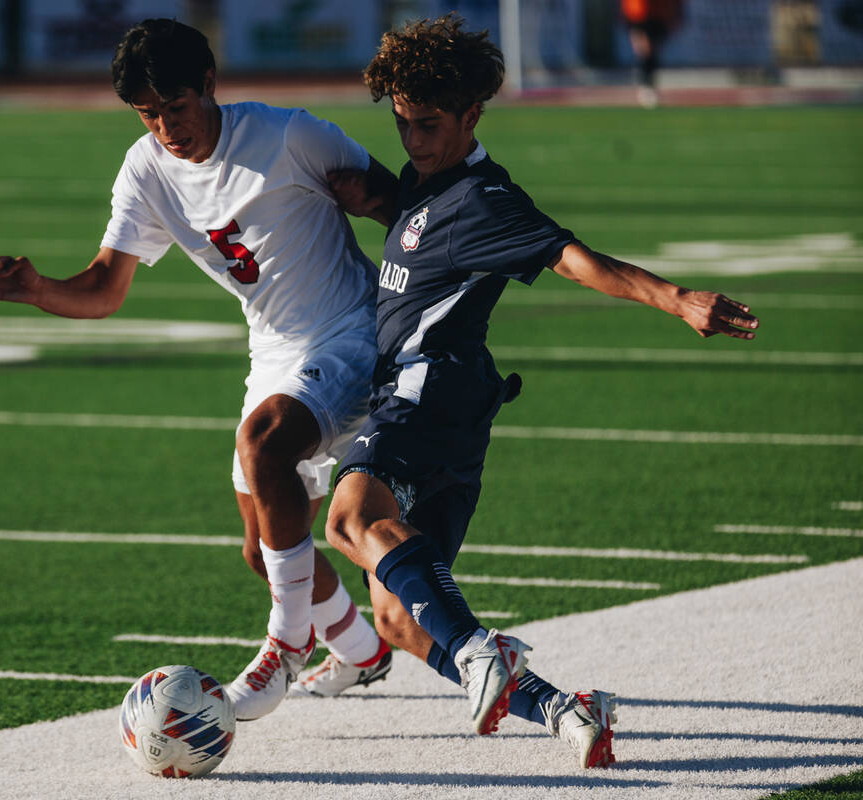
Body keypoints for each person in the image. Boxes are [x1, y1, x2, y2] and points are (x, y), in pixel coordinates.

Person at [322, 14, 758, 768]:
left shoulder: (484, 199)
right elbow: (431, 241)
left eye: (429, 125)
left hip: (429, 389)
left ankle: (482, 651)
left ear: (471, 116)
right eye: (401, 123)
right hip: (457, 413)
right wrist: (380, 205)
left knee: (348, 518)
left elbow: (571, 257)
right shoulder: (427, 186)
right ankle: (562, 709)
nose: (414, 140)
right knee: (397, 617)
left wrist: (678, 297)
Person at [0, 18, 396, 722]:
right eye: (149, 113)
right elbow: (107, 288)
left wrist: (387, 233)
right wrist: (40, 289)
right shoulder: (145, 167)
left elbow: (408, 210)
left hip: (351, 330)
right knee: (263, 549)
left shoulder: (290, 135)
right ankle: (360, 650)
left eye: (177, 107)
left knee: (263, 445)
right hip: (275, 349)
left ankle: (284, 648)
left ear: (209, 86)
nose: (167, 126)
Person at [621, 0, 684, 107]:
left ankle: (650, 84)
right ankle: (646, 86)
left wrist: (676, 12)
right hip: (637, 12)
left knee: (652, 51)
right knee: (645, 50)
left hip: (658, 12)